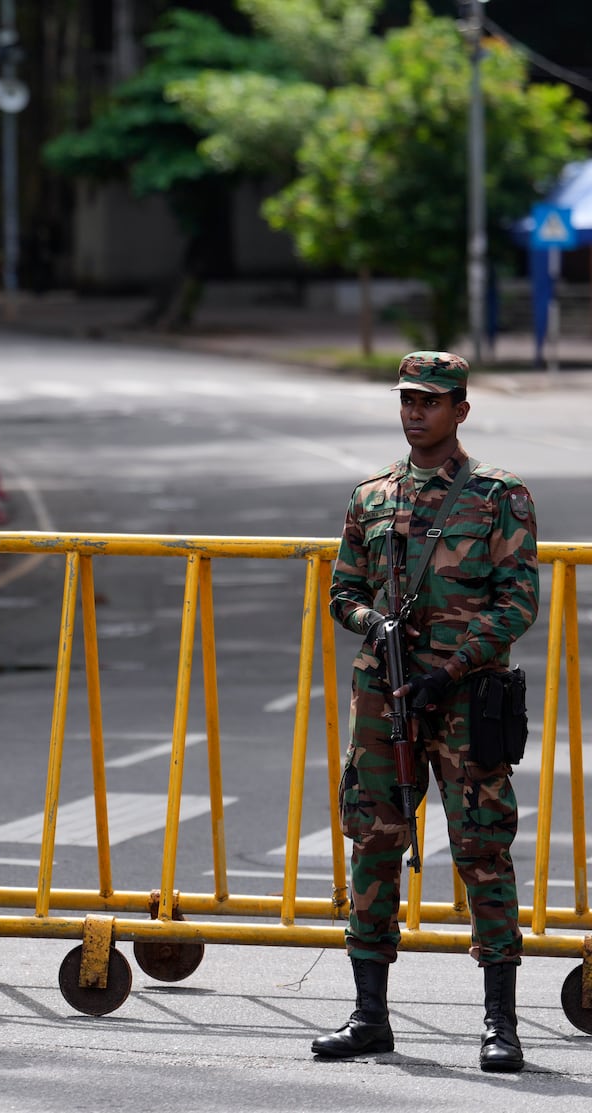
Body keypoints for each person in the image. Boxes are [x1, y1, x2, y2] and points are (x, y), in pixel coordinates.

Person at [316, 351, 538, 1071]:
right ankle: (370, 1016)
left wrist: (450, 668)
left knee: (481, 848)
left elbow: (517, 602)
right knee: (375, 842)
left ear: (461, 411)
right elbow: (342, 590)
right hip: (385, 694)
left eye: (432, 401)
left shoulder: (500, 496)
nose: (417, 412)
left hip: (467, 700)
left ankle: (500, 1023)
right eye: (409, 399)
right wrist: (371, 624)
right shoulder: (371, 496)